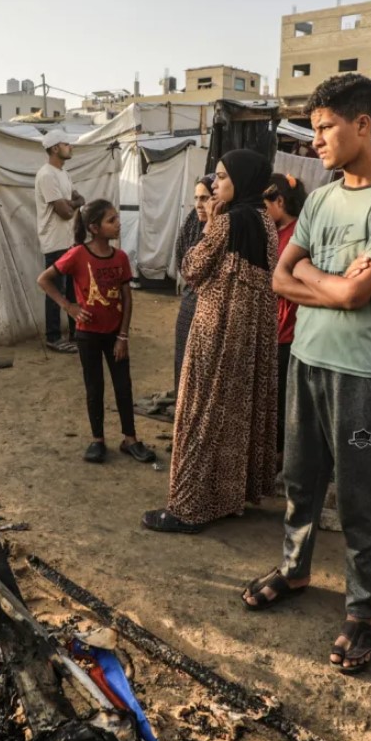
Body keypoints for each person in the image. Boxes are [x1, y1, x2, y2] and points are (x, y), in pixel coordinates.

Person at [240, 74, 371, 675]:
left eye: (324, 128)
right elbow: (281, 278)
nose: (315, 141)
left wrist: (324, 281)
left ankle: (361, 612)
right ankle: (294, 571)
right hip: (307, 363)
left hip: (361, 377)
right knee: (300, 480)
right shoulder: (318, 199)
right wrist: (334, 282)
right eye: (313, 129)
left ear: (362, 124)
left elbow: (356, 297)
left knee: (361, 498)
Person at [141, 149, 278, 533]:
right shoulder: (264, 220)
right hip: (250, 334)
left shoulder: (227, 221)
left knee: (200, 412)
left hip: (216, 328)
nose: (215, 184)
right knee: (234, 414)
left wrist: (208, 226)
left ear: (241, 179)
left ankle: (188, 508)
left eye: (221, 177)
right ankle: (228, 498)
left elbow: (191, 269)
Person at [38, 200, 155, 465]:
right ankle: (97, 440)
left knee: (123, 386)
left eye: (116, 218)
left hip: (115, 334)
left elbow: (127, 298)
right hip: (87, 334)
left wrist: (123, 336)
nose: (118, 224)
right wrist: (68, 306)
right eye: (111, 220)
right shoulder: (78, 255)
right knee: (95, 387)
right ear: (94, 227)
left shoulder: (121, 258)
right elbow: (44, 279)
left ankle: (130, 439)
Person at [264, 172, 307, 464]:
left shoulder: (296, 238)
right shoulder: (277, 233)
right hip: (274, 327)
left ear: (280, 201)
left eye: (265, 205)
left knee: (281, 399)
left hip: (288, 330)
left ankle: (281, 458)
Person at [35, 129, 85, 353]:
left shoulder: (64, 174)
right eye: (66, 144)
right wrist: (72, 204)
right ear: (55, 148)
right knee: (55, 289)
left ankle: (76, 332)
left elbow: (77, 199)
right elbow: (65, 211)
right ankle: (53, 336)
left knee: (74, 289)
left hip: (68, 240)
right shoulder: (46, 175)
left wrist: (71, 203)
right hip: (54, 241)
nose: (70, 147)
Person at [173, 176, 214, 394]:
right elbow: (184, 262)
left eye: (205, 198)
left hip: (211, 311)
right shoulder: (192, 224)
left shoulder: (224, 229)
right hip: (189, 305)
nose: (199, 204)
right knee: (183, 365)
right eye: (196, 198)